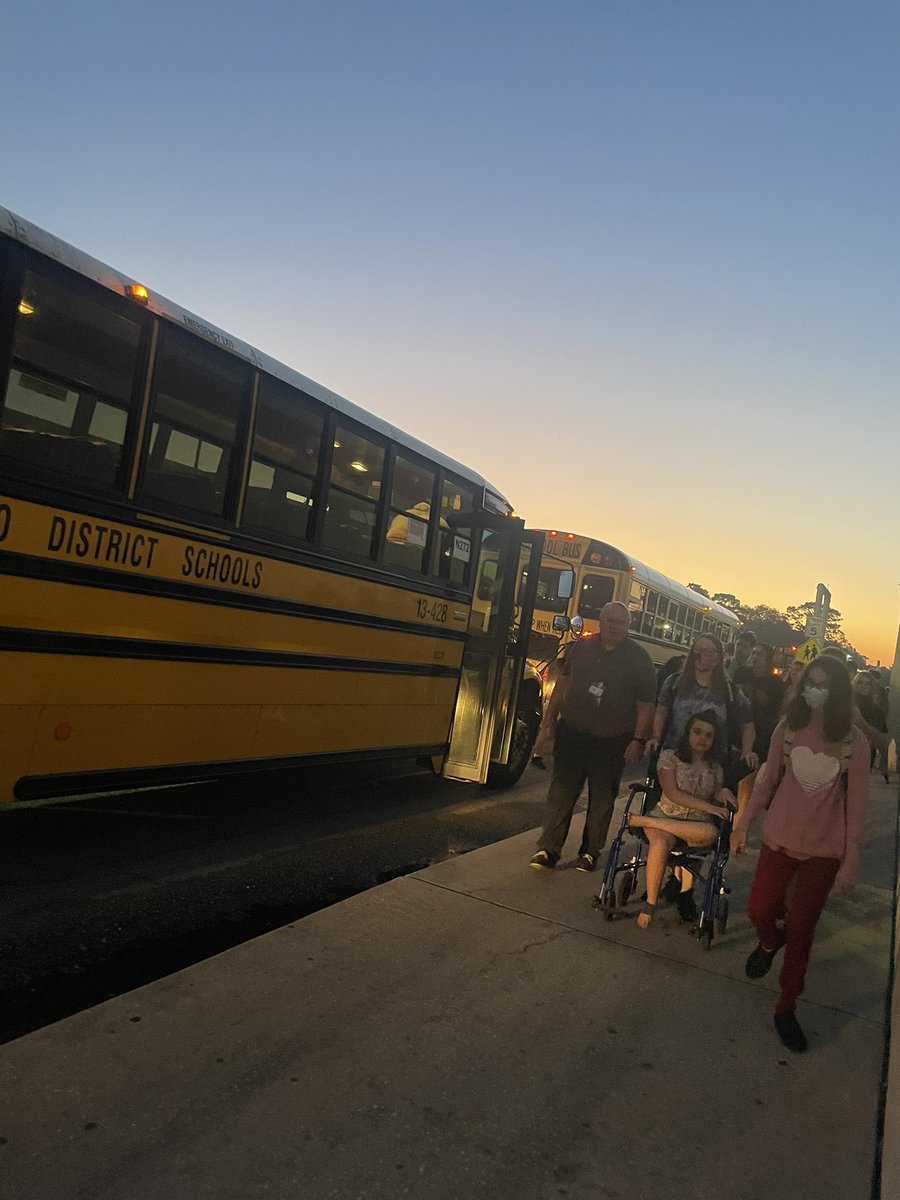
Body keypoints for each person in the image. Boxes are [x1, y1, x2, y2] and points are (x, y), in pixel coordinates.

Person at [731, 655, 869, 1054]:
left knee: (803, 927)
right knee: (759, 909)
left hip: (824, 850)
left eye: (825, 685)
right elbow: (766, 779)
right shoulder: (787, 729)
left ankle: (787, 1005)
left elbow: (856, 805)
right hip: (779, 838)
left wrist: (851, 859)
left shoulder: (853, 744)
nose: (815, 690)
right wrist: (744, 822)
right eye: (811, 682)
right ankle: (769, 942)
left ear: (838, 692)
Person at [530, 602, 656, 872]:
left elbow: (646, 704)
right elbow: (563, 682)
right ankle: (548, 849)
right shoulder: (581, 648)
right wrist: (550, 717)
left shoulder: (639, 658)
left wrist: (638, 739)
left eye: (619, 622)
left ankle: (590, 851)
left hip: (612, 739)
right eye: (608, 620)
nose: (613, 626)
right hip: (573, 732)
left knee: (601, 797)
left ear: (627, 626)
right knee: (561, 792)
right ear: (600, 621)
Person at [627, 710, 735, 928]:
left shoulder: (714, 766)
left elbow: (715, 791)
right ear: (688, 733)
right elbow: (673, 793)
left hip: (695, 823)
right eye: (697, 732)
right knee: (660, 842)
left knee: (711, 833)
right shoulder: (670, 758)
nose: (702, 738)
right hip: (667, 813)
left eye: (708, 735)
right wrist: (709, 807)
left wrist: (722, 793)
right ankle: (650, 904)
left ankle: (645, 821)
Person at [733, 643, 784, 760]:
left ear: (768, 659)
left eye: (760, 654)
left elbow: (772, 714)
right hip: (737, 727)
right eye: (754, 653)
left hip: (760, 731)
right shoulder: (742, 673)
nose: (755, 656)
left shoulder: (775, 684)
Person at [853, 670, 889, 778]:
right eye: (860, 682)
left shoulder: (876, 710)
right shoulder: (847, 704)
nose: (863, 686)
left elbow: (881, 737)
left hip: (865, 752)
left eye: (867, 683)